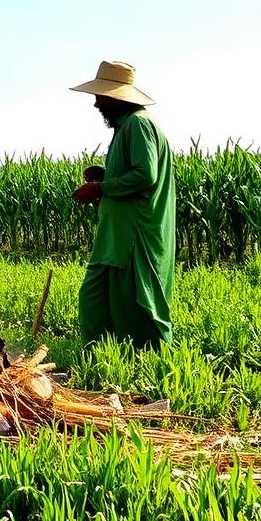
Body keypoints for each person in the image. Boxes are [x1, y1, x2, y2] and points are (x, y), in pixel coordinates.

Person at [70, 61, 175, 350]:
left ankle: (145, 357)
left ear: (117, 97)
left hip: (134, 232)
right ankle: (100, 355)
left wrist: (100, 189)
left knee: (132, 300)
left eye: (100, 96)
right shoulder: (126, 127)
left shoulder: (139, 125)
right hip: (116, 234)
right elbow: (135, 172)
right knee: (96, 296)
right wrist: (106, 176)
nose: (95, 104)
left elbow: (145, 175)